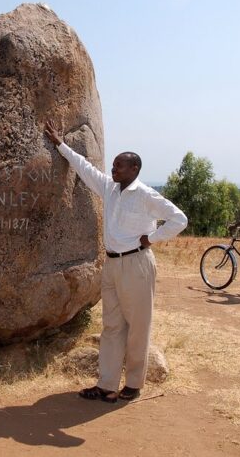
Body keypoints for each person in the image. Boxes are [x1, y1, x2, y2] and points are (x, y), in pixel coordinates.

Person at [44, 121, 187, 403]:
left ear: (134, 169)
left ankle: (133, 384)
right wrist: (60, 144)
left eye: (119, 166)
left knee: (138, 325)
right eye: (113, 166)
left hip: (136, 264)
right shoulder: (109, 188)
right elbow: (84, 168)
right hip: (111, 265)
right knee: (111, 326)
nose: (113, 169)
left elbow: (180, 219)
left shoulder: (145, 195)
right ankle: (106, 383)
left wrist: (152, 238)